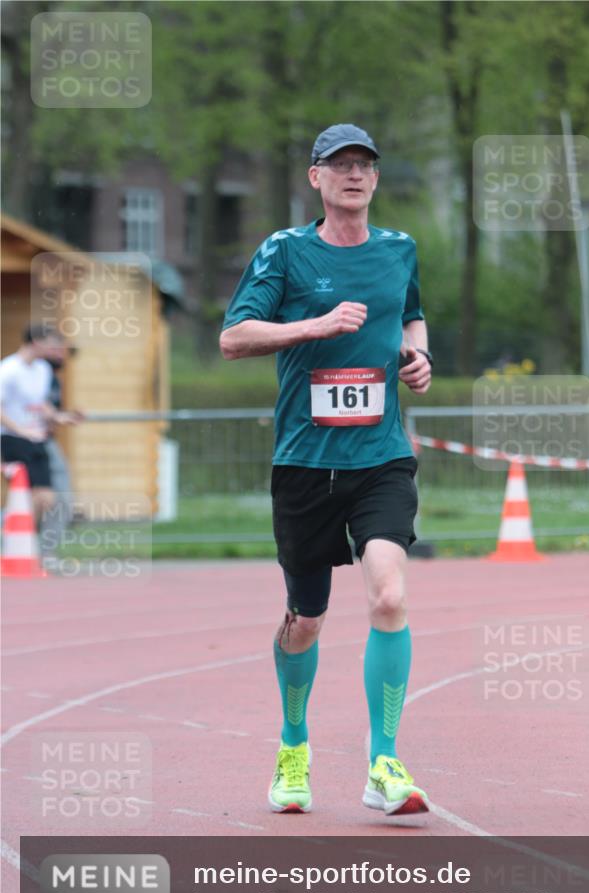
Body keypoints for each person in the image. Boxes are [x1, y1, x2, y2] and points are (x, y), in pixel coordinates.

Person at [220, 123, 433, 817]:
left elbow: (411, 317)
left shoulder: (399, 249)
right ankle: (292, 744)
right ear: (315, 177)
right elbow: (233, 338)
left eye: (364, 165)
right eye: (339, 164)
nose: (353, 174)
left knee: (390, 598)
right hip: (306, 464)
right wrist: (310, 326)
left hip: (380, 458)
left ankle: (384, 762)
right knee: (305, 620)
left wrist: (416, 358)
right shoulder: (284, 251)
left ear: (375, 178)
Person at [0, 324, 67, 526]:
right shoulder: (8, 369)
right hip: (13, 439)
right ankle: (11, 537)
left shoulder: (43, 369)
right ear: (36, 342)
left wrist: (58, 417)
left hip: (37, 438)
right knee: (26, 496)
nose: (54, 350)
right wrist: (20, 430)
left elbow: (41, 403)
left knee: (46, 499)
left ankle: (22, 542)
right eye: (50, 345)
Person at [39, 332, 85, 556]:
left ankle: (45, 554)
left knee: (51, 500)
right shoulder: (33, 373)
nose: (61, 355)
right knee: (49, 500)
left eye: (63, 351)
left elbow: (48, 411)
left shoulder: (54, 378)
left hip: (44, 443)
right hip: (27, 442)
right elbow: (36, 408)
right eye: (55, 349)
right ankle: (45, 555)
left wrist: (65, 415)